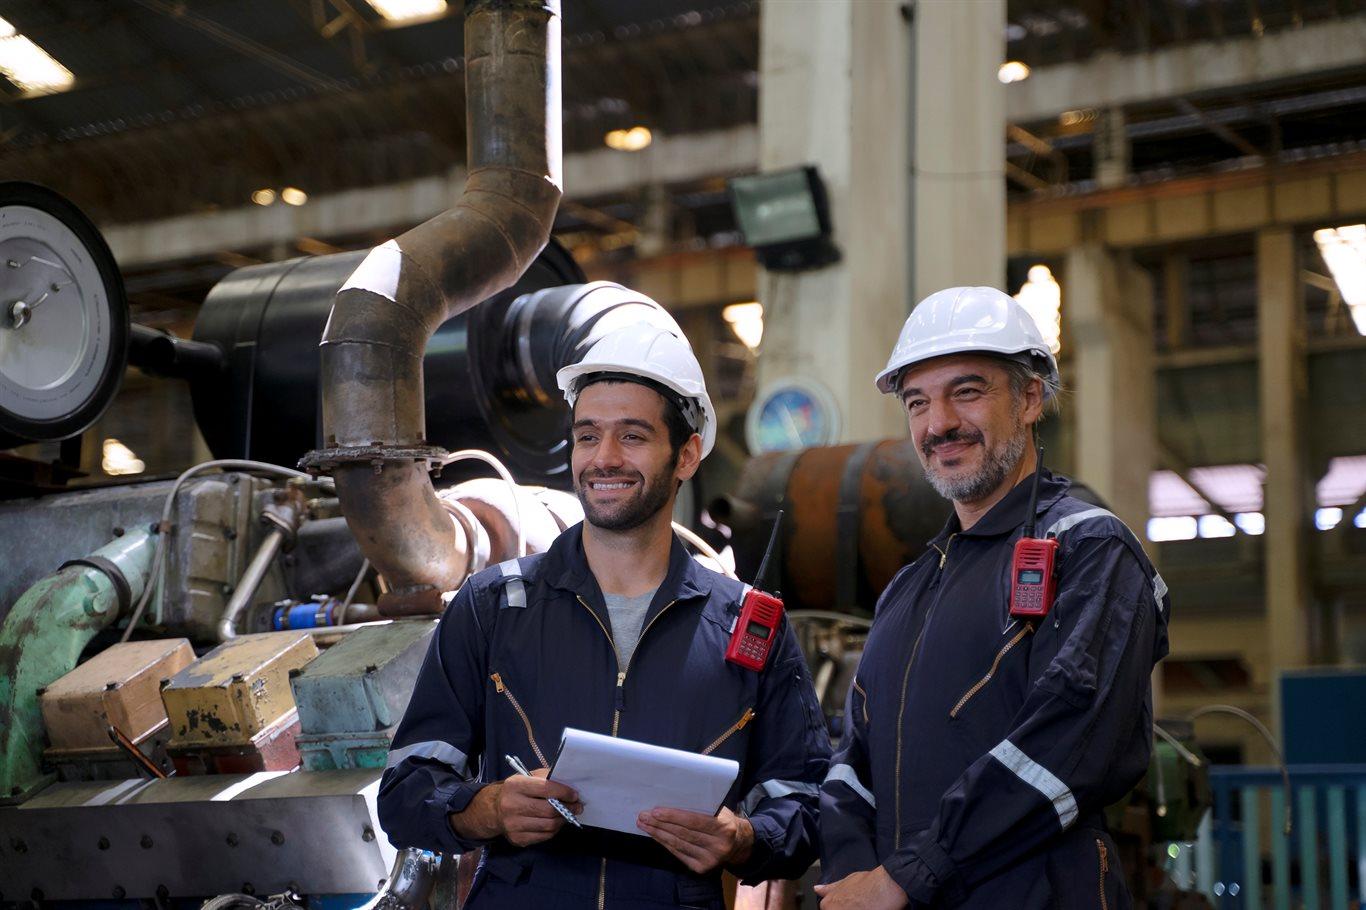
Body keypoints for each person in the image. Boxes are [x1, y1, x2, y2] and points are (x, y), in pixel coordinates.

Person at [378, 316, 829, 909]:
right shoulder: (491, 608)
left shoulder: (747, 625)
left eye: (633, 436)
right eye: (588, 436)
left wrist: (742, 839)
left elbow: (808, 802)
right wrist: (483, 809)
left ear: (688, 454)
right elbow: (406, 791)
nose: (604, 458)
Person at [815, 287, 1170, 910]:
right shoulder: (909, 587)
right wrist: (853, 878)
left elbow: (1071, 745)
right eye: (918, 402)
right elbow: (852, 758)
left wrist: (905, 878)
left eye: (967, 392)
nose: (939, 423)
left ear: (1031, 397)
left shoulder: (1091, 549)